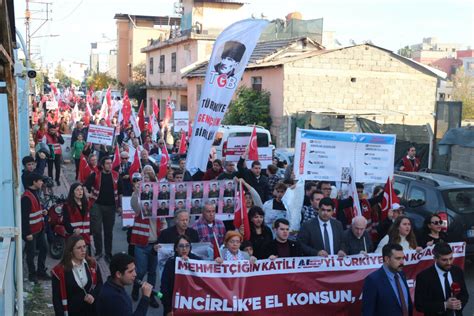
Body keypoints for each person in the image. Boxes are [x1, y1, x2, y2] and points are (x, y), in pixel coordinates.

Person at [129, 185, 164, 308]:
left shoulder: (159, 208)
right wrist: (136, 193)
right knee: (141, 270)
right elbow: (134, 205)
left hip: (155, 245)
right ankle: (136, 287)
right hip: (141, 245)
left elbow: (163, 223)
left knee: (152, 272)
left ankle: (151, 296)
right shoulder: (140, 206)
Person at [84, 156, 123, 263]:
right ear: (102, 165)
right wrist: (87, 194)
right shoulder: (95, 175)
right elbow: (85, 186)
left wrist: (120, 206)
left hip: (111, 207)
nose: (110, 165)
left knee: (108, 231)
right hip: (97, 205)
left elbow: (120, 193)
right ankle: (99, 252)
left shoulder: (116, 176)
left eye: (111, 163)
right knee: (96, 229)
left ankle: (108, 254)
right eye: (107, 163)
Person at [51, 236, 102, 316]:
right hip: (72, 312)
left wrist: (93, 295)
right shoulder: (59, 271)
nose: (83, 250)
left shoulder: (92, 264)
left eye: (84, 247)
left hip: (91, 311)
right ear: (71, 251)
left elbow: (100, 285)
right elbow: (56, 299)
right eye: (79, 248)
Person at [415, 242, 469, 316]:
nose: (449, 263)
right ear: (435, 259)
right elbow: (419, 305)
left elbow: (464, 295)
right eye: (444, 260)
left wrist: (459, 304)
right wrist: (445, 305)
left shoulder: (457, 271)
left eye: (451, 258)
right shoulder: (423, 277)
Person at [362, 243, 413, 316]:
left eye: (403, 258)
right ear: (387, 259)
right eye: (398, 258)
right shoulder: (372, 280)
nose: (402, 262)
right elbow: (368, 311)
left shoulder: (401, 275)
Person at [161, 235, 201, 316]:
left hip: (194, 305)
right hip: (174, 305)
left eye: (187, 246)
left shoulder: (197, 261)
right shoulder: (170, 263)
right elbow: (164, 288)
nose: (184, 249)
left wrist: (217, 262)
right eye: (181, 246)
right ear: (176, 248)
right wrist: (168, 309)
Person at [22, 173, 50, 283]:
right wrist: (27, 233)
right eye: (40, 181)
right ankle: (32, 274)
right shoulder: (26, 197)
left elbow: (34, 209)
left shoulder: (35, 193)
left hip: (39, 229)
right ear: (34, 182)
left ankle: (41, 272)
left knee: (44, 248)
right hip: (31, 232)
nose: (42, 182)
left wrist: (42, 212)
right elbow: (24, 218)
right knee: (31, 254)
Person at [62, 183, 91, 248]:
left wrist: (91, 234)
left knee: (86, 257)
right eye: (77, 190)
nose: (80, 191)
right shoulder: (67, 205)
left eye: (81, 189)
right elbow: (65, 222)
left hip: (86, 238)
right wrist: (73, 230)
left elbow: (90, 220)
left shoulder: (87, 204)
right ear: (73, 192)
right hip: (73, 239)